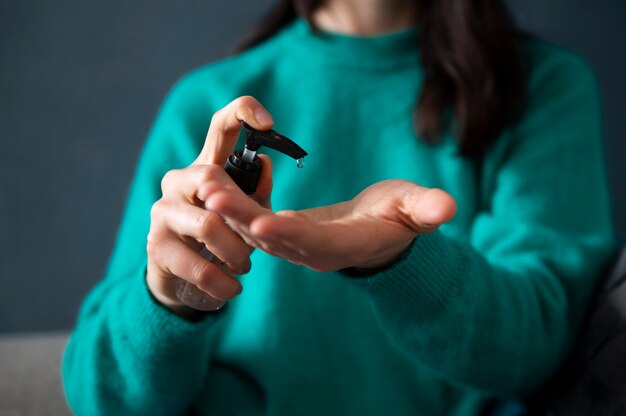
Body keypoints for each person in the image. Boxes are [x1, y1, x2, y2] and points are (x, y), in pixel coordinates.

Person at [62, 0, 617, 414]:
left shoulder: (539, 88)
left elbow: (533, 350)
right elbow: (102, 401)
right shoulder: (208, 104)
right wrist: (170, 298)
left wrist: (402, 262)